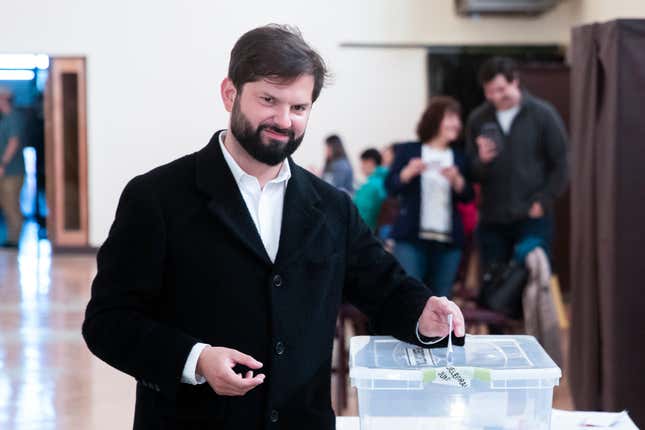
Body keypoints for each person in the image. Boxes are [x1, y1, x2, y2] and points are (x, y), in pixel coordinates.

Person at [82, 25, 465, 430]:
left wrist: (425, 315)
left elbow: (386, 290)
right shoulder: (157, 197)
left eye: (298, 108)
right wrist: (195, 360)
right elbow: (108, 322)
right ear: (230, 93)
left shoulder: (333, 208)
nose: (283, 120)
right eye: (268, 100)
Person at [465, 57, 568, 273]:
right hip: (493, 218)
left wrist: (543, 201)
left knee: (533, 281)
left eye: (501, 89)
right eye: (490, 91)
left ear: (515, 82)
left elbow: (561, 162)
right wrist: (482, 161)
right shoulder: (478, 119)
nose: (496, 96)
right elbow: (471, 173)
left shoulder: (542, 114)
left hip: (532, 215)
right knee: (494, 286)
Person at [386, 96, 474, 299]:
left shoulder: (459, 156)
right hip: (411, 238)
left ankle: (438, 333)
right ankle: (407, 333)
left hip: (448, 241)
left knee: (442, 301)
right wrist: (408, 172)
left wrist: (457, 180)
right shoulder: (410, 149)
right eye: (451, 118)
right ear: (436, 119)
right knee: (410, 296)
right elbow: (390, 187)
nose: (457, 124)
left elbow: (468, 196)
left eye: (458, 119)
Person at [0, 87, 25, 248]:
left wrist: (3, 163)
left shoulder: (13, 117)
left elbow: (13, 143)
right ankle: (11, 238)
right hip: (6, 171)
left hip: (12, 172)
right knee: (6, 203)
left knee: (11, 205)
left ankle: (14, 240)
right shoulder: (5, 118)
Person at [353, 148, 388, 231]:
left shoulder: (371, 186)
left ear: (370, 162)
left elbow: (363, 214)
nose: (361, 167)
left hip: (368, 233)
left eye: (362, 163)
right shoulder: (386, 180)